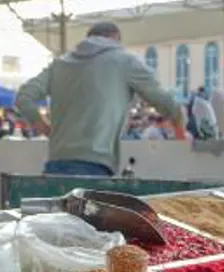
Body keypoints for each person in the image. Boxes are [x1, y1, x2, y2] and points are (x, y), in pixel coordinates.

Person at [15, 21, 184, 176]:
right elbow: (166, 103)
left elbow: (24, 97)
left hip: (56, 164)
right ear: (116, 39)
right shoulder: (124, 60)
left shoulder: (60, 64)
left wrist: (45, 128)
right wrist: (181, 133)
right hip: (95, 165)